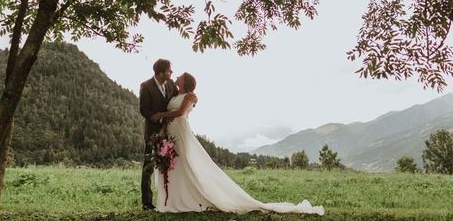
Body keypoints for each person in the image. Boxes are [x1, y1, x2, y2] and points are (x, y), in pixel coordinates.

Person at [152, 72, 325, 215]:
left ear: (186, 81)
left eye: (180, 77)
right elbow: (172, 105)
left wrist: (161, 114)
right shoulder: (175, 93)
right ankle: (175, 199)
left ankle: (196, 196)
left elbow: (181, 112)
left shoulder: (190, 96)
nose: (177, 78)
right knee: (176, 166)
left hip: (181, 132)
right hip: (170, 132)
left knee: (188, 164)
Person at [138, 59, 196, 210]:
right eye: (169, 71)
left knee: (171, 165)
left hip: (171, 132)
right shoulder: (145, 86)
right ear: (161, 72)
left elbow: (182, 97)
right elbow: (144, 110)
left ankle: (173, 198)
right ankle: (147, 202)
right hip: (153, 132)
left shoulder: (171, 85)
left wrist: (194, 98)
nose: (172, 73)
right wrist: (160, 117)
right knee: (149, 165)